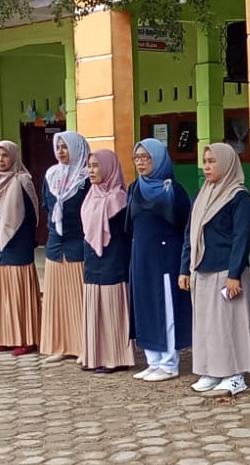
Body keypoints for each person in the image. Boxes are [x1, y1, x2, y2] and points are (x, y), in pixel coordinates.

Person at [180, 142, 250, 396]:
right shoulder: (203, 194)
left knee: (229, 324)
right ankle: (211, 371)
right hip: (202, 270)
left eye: (212, 161)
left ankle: (235, 374)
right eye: (205, 161)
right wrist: (184, 268)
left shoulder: (239, 197)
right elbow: (189, 234)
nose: (207, 166)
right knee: (206, 325)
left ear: (226, 163)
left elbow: (241, 238)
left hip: (227, 272)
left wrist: (234, 274)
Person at [128, 137, 192, 381]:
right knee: (145, 308)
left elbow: (184, 225)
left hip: (165, 259)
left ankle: (168, 363)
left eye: (146, 158)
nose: (141, 163)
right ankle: (153, 360)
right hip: (141, 257)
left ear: (159, 159)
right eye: (137, 158)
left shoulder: (173, 190)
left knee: (165, 308)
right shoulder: (135, 188)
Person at [80, 150, 136, 372]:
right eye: (89, 166)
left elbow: (126, 233)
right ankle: (95, 356)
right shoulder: (90, 196)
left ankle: (117, 358)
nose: (91, 171)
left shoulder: (120, 199)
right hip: (93, 262)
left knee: (113, 311)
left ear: (108, 168)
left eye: (96, 166)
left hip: (114, 262)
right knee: (95, 309)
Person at [0, 139, 43, 355]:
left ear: (14, 157)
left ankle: (26, 337)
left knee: (19, 291)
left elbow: (32, 216)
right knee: (3, 292)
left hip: (19, 243)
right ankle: (6, 336)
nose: (1, 160)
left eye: (5, 155)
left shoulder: (23, 181)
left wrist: (27, 240)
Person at [41, 130, 91, 365]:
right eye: (58, 147)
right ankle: (60, 344)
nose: (61, 152)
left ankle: (83, 345)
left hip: (77, 245)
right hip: (55, 245)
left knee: (78, 299)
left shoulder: (85, 179)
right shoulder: (51, 176)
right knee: (57, 299)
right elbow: (46, 207)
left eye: (65, 147)